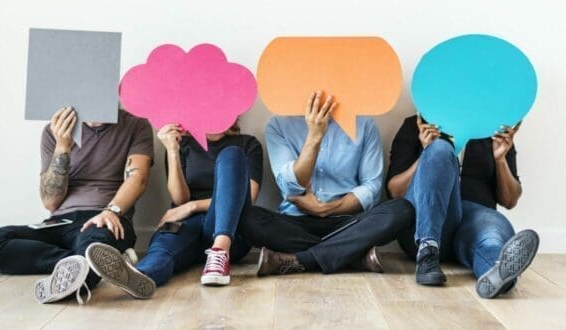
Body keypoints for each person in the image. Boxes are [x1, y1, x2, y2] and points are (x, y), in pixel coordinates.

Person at [0, 106, 154, 304]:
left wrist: (111, 211)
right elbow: (50, 202)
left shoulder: (136, 125)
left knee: (92, 244)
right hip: (61, 221)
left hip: (105, 218)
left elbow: (137, 178)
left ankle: (85, 266)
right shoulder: (54, 130)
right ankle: (97, 264)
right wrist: (62, 146)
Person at [240, 91, 414, 276]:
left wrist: (329, 208)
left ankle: (300, 260)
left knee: (401, 209)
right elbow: (289, 186)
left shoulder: (364, 124)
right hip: (295, 223)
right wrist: (314, 136)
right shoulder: (279, 124)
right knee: (245, 216)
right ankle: (352, 255)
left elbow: (371, 187)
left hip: (348, 223)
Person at [84, 120, 263, 298]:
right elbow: (179, 198)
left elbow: (250, 196)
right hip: (186, 224)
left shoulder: (247, 144)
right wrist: (172, 151)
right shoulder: (184, 144)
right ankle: (139, 276)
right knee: (163, 247)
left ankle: (219, 256)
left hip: (226, 228)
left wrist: (192, 206)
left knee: (231, 155)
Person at [386, 113, 539, 298]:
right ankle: (427, 253)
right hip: (428, 222)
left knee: (491, 237)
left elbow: (510, 200)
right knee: (440, 149)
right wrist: (427, 154)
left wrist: (500, 160)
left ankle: (498, 273)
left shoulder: (493, 131)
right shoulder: (417, 125)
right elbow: (395, 191)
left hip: (475, 218)